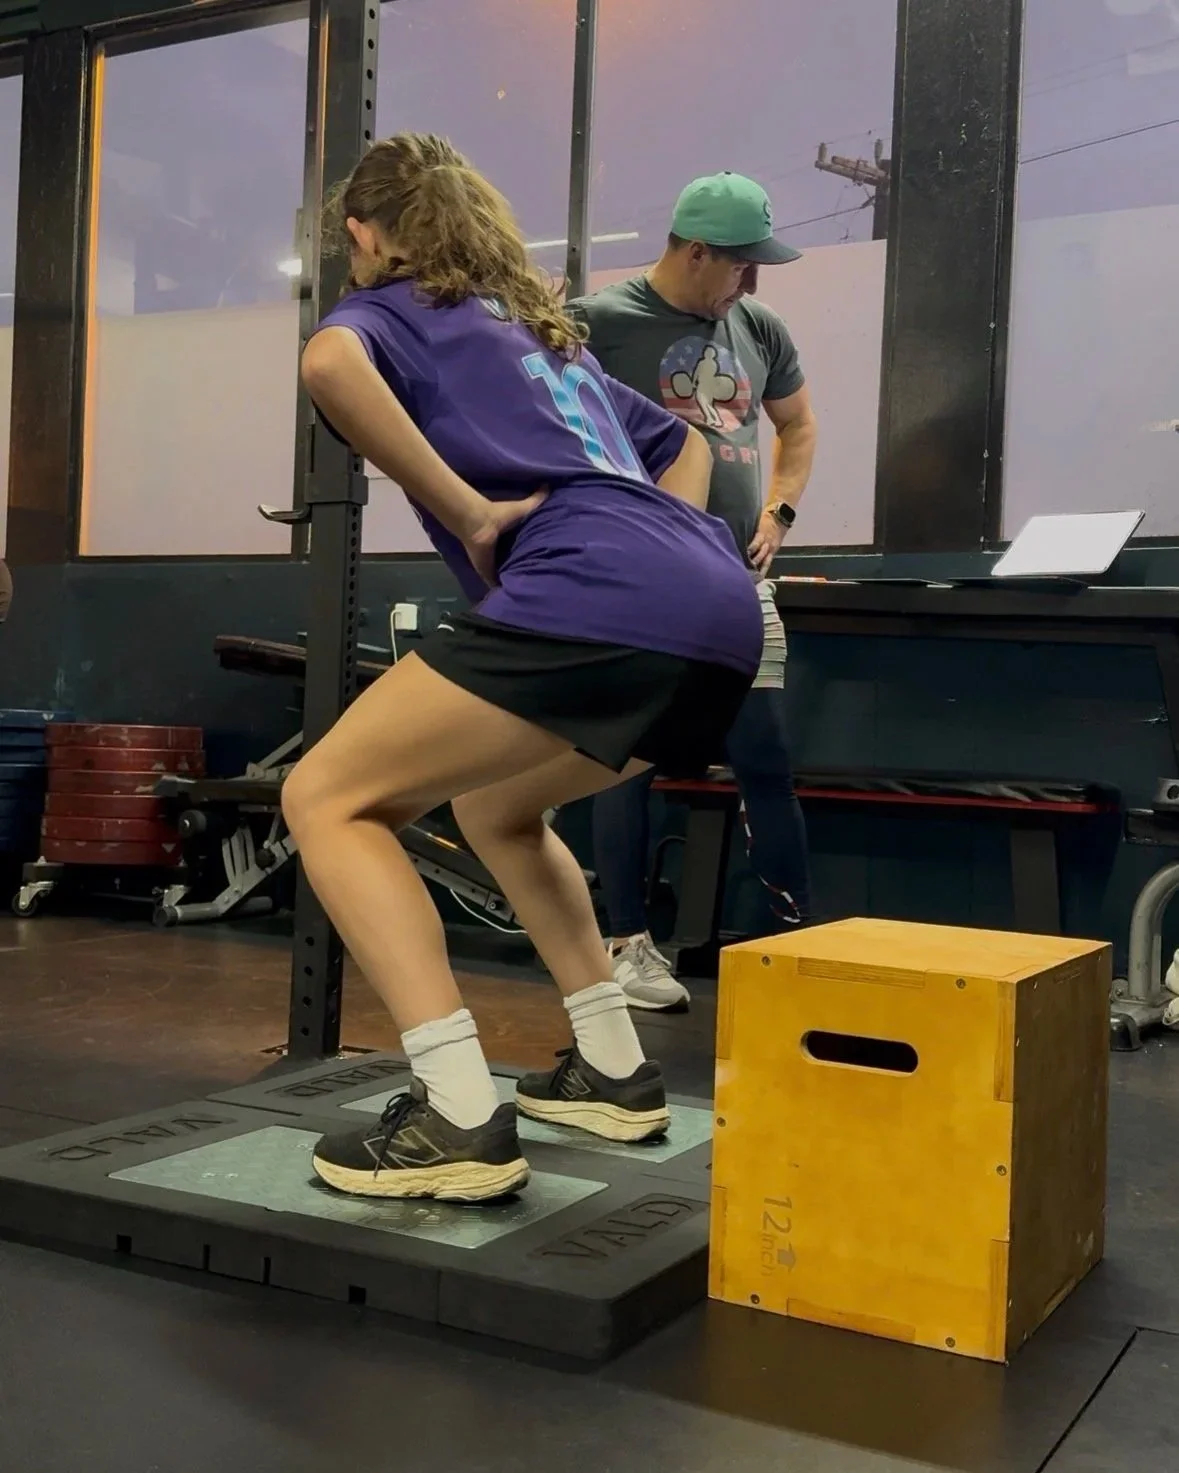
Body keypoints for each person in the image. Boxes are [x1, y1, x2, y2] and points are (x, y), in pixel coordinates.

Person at [282, 134, 764, 1203]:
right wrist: (654, 555)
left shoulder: (389, 308)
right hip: (718, 607)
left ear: (366, 233)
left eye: (351, 243)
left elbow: (326, 366)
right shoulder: (545, 341)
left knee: (325, 795)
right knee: (499, 810)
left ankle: (456, 1113)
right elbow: (685, 448)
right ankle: (614, 1068)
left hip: (602, 590)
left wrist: (467, 512)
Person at [566, 171, 818, 1012]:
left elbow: (798, 424)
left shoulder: (758, 326)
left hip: (739, 581)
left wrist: (778, 509)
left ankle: (794, 945)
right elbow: (543, 421)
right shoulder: (597, 323)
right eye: (738, 266)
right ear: (695, 250)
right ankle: (626, 947)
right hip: (642, 580)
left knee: (764, 756)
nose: (747, 283)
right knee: (626, 759)